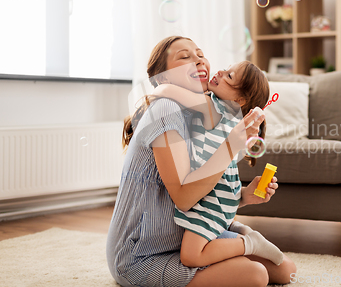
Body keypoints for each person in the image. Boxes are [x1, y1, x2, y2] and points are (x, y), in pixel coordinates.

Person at [106, 36, 296, 287]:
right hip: (142, 255)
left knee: (287, 271)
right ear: (163, 78)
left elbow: (209, 187)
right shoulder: (165, 110)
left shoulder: (206, 117)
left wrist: (243, 197)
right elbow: (185, 197)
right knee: (255, 275)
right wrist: (230, 146)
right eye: (184, 57)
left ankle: (242, 240)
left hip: (183, 237)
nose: (198, 60)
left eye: (200, 54)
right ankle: (246, 241)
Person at [151, 60, 284, 267]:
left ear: (239, 99)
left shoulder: (214, 106)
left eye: (229, 77)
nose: (221, 72)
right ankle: (238, 231)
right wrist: (245, 195)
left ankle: (249, 243)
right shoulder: (230, 119)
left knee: (191, 256)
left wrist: (161, 86)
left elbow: (167, 90)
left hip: (209, 202)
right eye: (227, 70)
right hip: (222, 197)